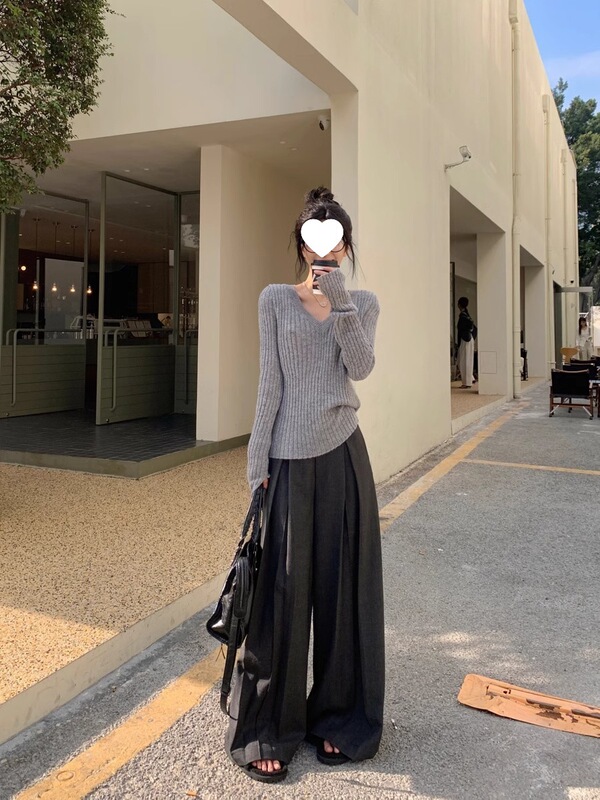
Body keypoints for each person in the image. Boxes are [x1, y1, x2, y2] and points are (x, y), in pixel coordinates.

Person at [226, 187, 385, 783]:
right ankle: (269, 725)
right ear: (301, 245)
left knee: (344, 593)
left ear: (345, 247)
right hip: (288, 460)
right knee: (281, 597)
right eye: (316, 242)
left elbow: (361, 367)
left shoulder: (362, 303)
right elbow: (270, 384)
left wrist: (340, 302)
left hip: (344, 454)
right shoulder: (274, 299)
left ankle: (340, 717)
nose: (325, 252)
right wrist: (257, 463)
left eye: (336, 242)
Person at [456, 296, 476, 388]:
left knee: (464, 361)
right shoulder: (466, 315)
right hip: (469, 339)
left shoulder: (463, 316)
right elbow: (474, 328)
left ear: (459, 305)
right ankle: (470, 379)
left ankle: (467, 382)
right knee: (464, 360)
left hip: (465, 340)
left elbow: (461, 330)